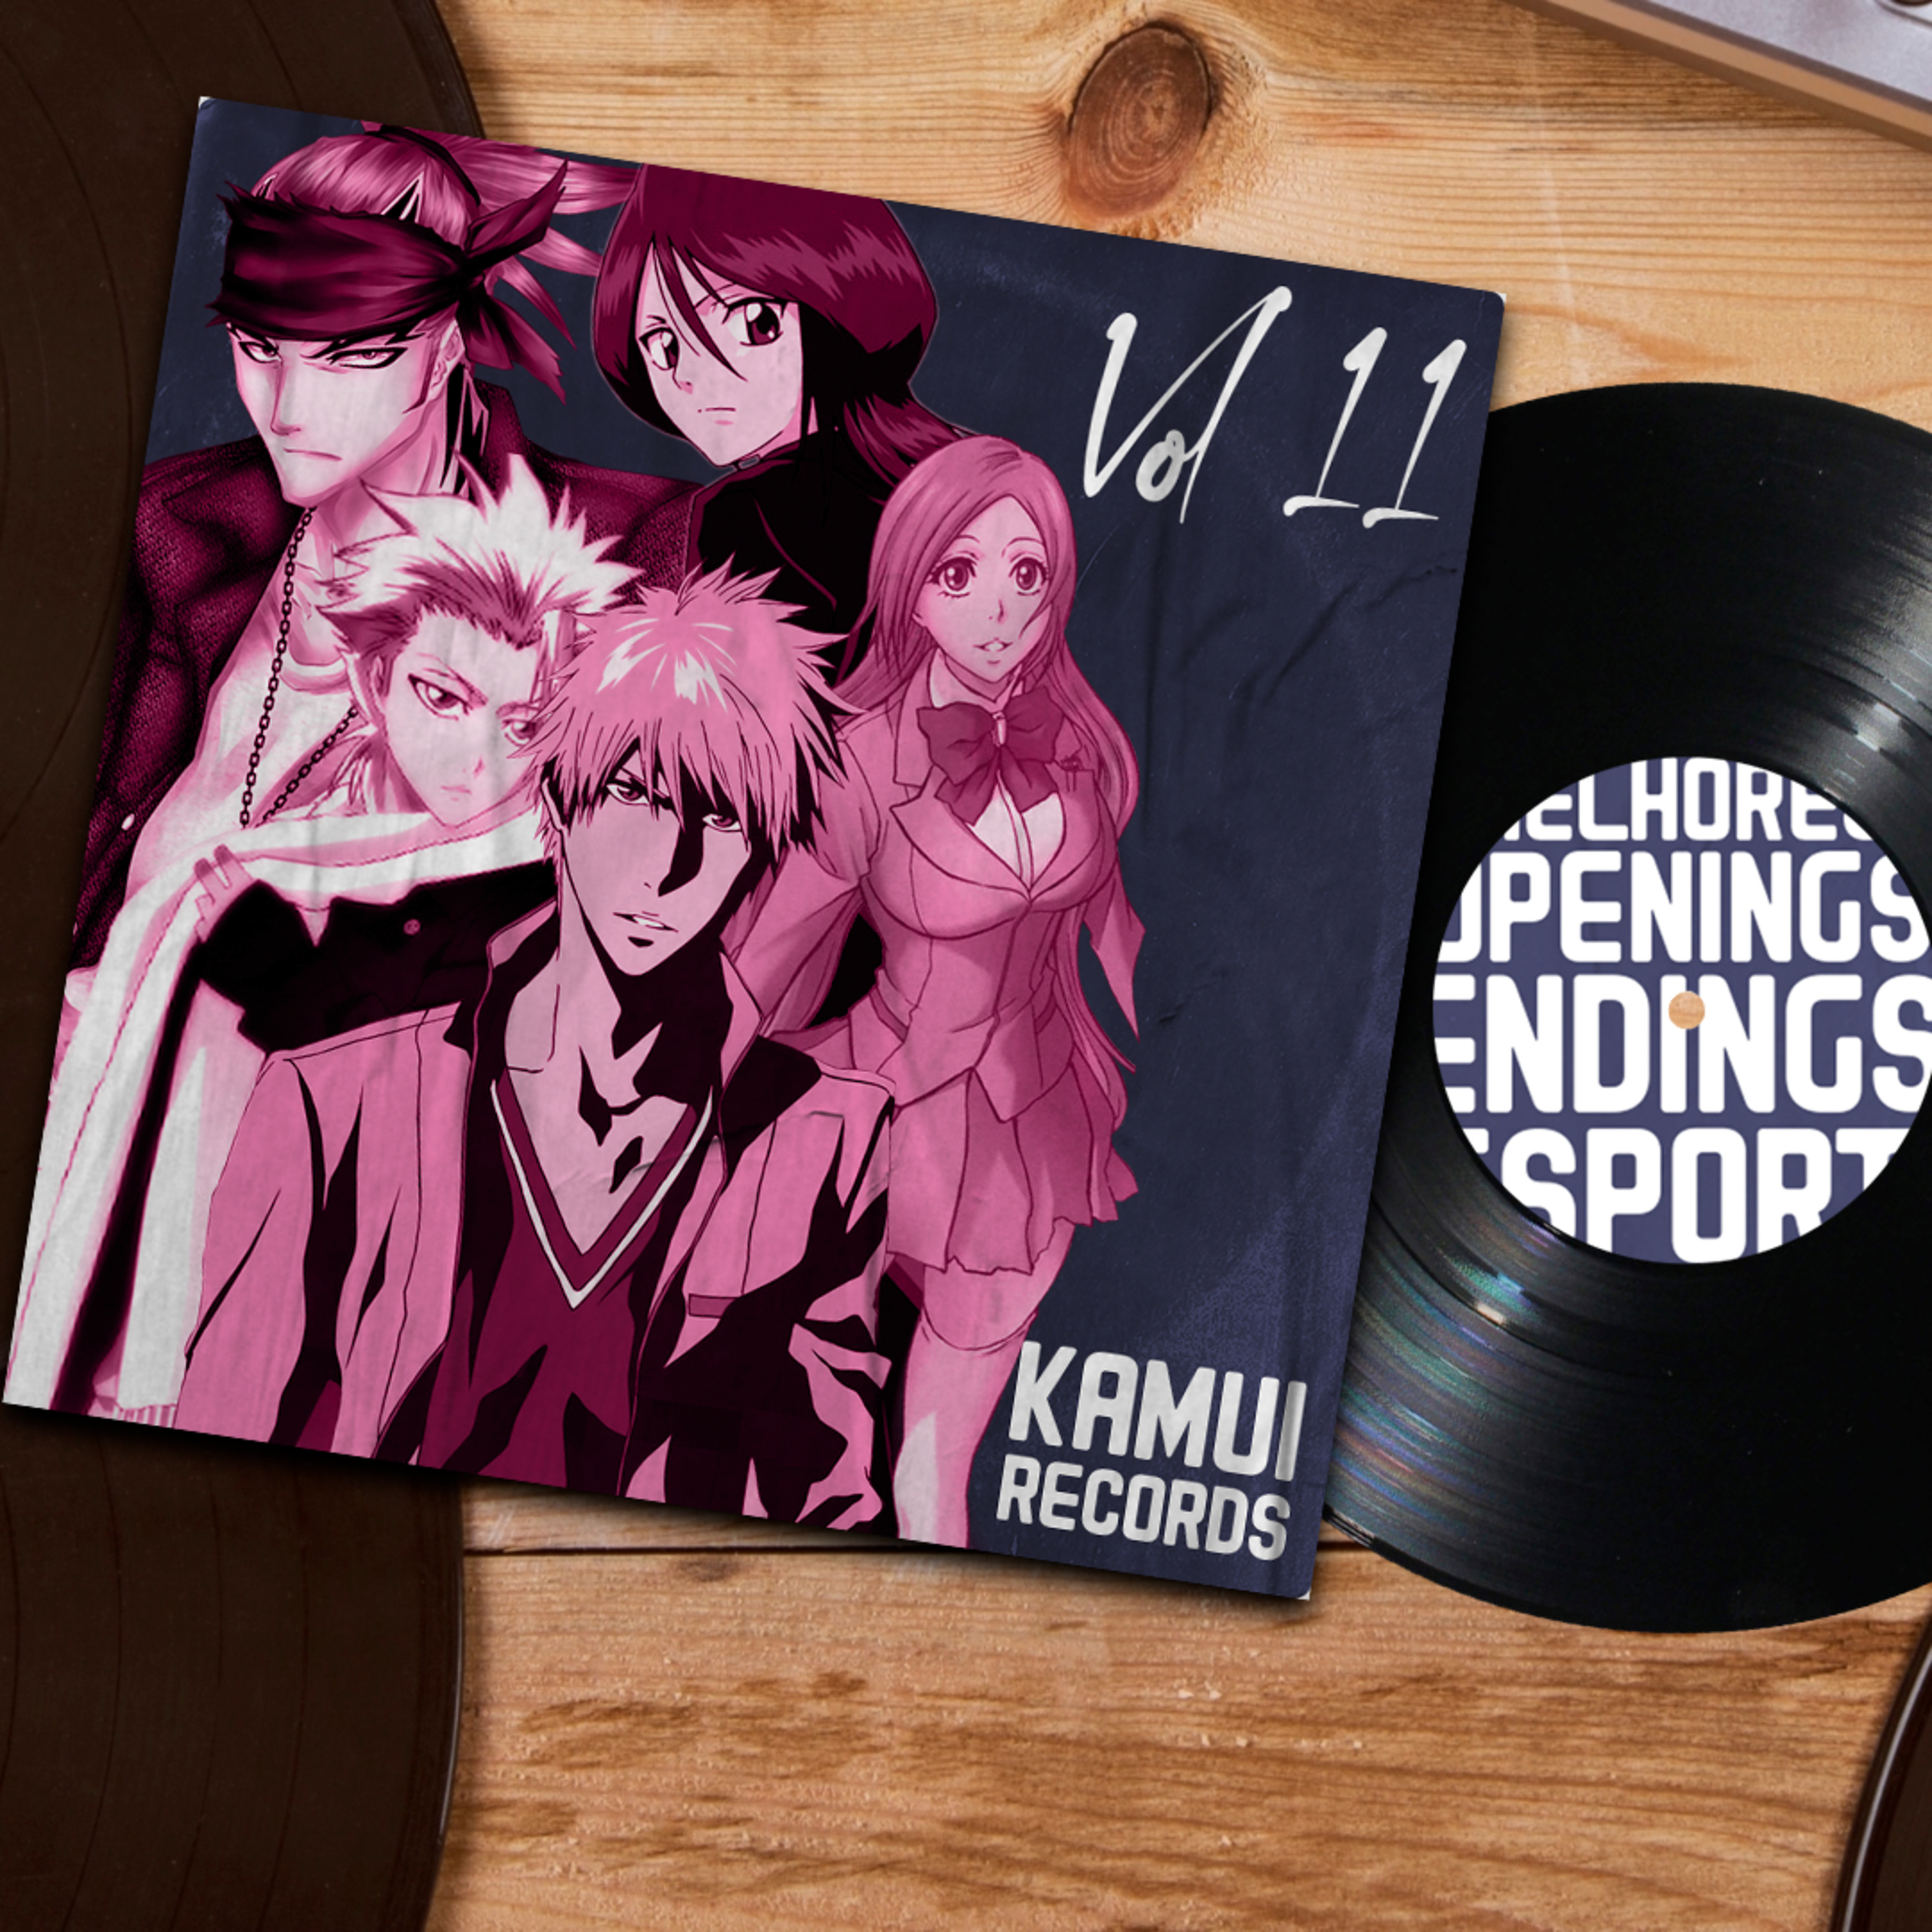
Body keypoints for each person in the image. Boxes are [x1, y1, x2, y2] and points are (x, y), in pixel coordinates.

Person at [172, 570, 895, 1529]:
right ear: (559, 799)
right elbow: (219, 1459)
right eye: (634, 792)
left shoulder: (824, 1139)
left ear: (760, 851)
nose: (670, 862)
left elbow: (828, 1502)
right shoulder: (332, 1103)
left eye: (719, 818)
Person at [9, 458, 634, 1425]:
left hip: (319, 1334)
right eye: (444, 698)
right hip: (140, 1281)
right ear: (375, 681)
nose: (477, 760)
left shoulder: (545, 895)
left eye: (523, 724)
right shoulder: (318, 819)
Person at [74, 123, 690, 969]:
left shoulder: (633, 554)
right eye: (260, 349)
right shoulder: (174, 529)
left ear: (446, 346)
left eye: (350, 356)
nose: (289, 408)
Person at [733, 436, 1143, 1546]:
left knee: (934, 1485)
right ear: (909, 582)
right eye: (959, 572)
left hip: (1034, 1134)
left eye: (1028, 571)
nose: (1001, 609)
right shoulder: (862, 761)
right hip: (876, 1124)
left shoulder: (1082, 744)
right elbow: (764, 963)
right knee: (810, 1464)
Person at [590, 164, 958, 652]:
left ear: (833, 301)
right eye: (664, 347)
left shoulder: (736, 515)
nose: (693, 376)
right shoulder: (963, 465)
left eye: (755, 322)